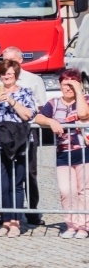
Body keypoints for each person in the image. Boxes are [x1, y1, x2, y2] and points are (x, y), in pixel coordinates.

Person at [0, 60, 35, 238]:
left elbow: (28, 115)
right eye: (3, 73)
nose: (6, 76)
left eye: (9, 74)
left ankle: (16, 222)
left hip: (18, 143)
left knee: (16, 184)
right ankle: (5, 220)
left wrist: (11, 101)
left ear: (16, 75)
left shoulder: (25, 93)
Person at [34, 69, 89, 239]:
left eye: (72, 84)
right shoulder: (54, 103)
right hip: (63, 153)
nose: (68, 88)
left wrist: (78, 92)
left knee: (84, 190)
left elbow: (83, 114)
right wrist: (50, 120)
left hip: (83, 151)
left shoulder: (85, 100)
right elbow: (38, 118)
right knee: (66, 190)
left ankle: (83, 225)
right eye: (65, 84)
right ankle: (71, 223)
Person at [2, 47, 46, 226]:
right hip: (5, 134)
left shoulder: (33, 80)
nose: (7, 63)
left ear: (20, 61)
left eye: (11, 59)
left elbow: (41, 106)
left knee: (29, 173)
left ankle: (33, 211)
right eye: (4, 59)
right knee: (5, 174)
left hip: (26, 132)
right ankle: (7, 214)